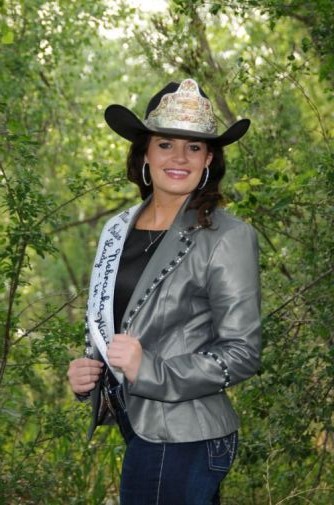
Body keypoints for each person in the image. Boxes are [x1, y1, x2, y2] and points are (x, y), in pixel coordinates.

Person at [67, 78, 261, 505]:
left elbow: (242, 352)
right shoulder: (117, 228)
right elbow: (113, 321)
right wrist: (89, 374)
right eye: (165, 143)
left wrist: (149, 370)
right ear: (145, 153)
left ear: (209, 157)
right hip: (139, 427)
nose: (179, 157)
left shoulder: (227, 236)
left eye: (194, 147)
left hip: (187, 436)